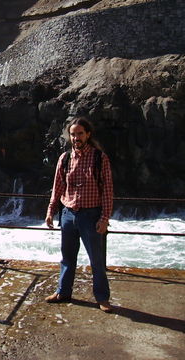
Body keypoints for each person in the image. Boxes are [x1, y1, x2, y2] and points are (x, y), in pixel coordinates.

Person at [44, 117, 114, 313]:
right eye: (73, 134)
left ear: (88, 134)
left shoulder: (100, 158)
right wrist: (51, 211)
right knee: (67, 257)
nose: (76, 138)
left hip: (91, 215)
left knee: (96, 260)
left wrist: (104, 218)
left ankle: (102, 298)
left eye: (80, 134)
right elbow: (57, 187)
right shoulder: (65, 159)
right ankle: (63, 292)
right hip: (68, 214)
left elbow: (108, 190)